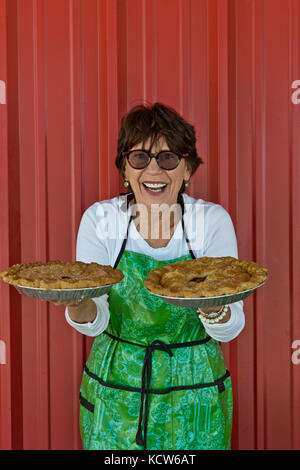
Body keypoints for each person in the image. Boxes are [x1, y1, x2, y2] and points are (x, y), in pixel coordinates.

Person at [57, 102, 245, 450]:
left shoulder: (211, 223)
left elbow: (230, 326)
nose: (153, 169)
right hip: (116, 391)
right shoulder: (101, 221)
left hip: (195, 389)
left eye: (168, 158)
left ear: (188, 170)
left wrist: (214, 305)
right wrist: (76, 302)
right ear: (125, 170)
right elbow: (94, 321)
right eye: (139, 158)